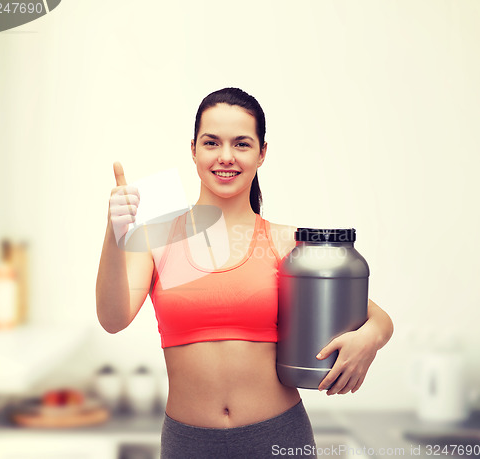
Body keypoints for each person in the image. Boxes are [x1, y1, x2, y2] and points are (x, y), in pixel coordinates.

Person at [96, 87, 394, 458]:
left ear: (261, 153)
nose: (225, 157)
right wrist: (115, 232)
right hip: (188, 444)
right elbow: (113, 318)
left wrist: (372, 339)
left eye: (241, 144)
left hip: (278, 435)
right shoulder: (158, 238)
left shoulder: (284, 242)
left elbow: (374, 315)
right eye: (211, 143)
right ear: (193, 150)